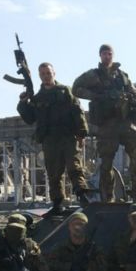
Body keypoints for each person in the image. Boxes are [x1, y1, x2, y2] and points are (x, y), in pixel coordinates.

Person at [72, 44, 136, 202]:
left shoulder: (122, 75)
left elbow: (135, 92)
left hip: (126, 122)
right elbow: (76, 88)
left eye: (109, 53)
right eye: (104, 54)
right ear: (100, 56)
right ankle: (108, 198)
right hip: (107, 124)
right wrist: (97, 96)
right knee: (106, 163)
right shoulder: (93, 75)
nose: (107, 56)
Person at [17, 62, 91, 214]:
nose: (46, 76)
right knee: (54, 172)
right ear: (39, 76)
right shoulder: (37, 98)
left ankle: (83, 196)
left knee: (74, 167)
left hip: (67, 136)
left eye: (48, 73)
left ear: (54, 73)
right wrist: (23, 102)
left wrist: (81, 133)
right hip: (50, 139)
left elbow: (77, 111)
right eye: (43, 74)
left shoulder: (65, 91)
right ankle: (57, 202)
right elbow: (30, 118)